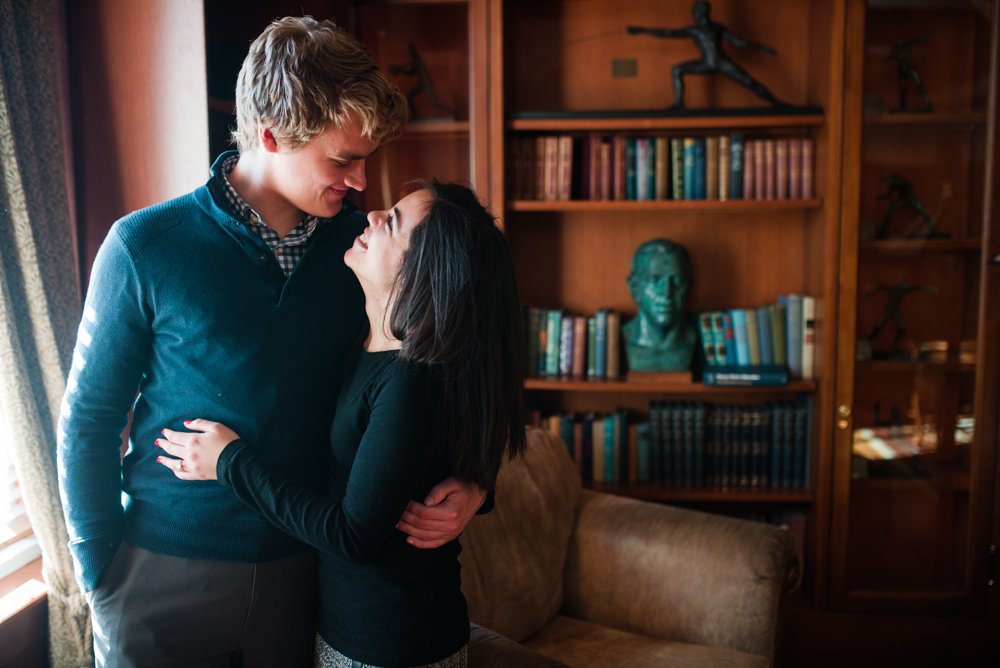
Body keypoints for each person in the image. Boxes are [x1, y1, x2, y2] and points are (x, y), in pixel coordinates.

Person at [58, 17, 487, 667]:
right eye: (342, 160)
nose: (362, 183)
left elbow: (444, 380)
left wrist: (478, 483)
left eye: (365, 159)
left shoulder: (368, 256)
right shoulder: (143, 247)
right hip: (157, 575)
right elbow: (88, 421)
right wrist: (100, 577)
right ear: (269, 136)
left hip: (306, 579)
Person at [155, 181, 527, 668]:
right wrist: (478, 487)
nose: (370, 215)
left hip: (391, 643)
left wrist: (229, 461)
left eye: (391, 222)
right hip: (352, 627)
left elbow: (352, 537)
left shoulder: (411, 381)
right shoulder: (366, 338)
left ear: (422, 270)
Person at [626, 1, 787, 109]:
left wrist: (761, 46)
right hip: (707, 63)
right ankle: (679, 104)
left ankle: (777, 103)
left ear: (701, 12)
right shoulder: (693, 30)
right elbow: (666, 33)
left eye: (696, 11)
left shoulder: (718, 28)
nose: (694, 14)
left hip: (722, 62)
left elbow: (740, 42)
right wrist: (640, 30)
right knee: (677, 70)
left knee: (749, 81)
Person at [622, 239, 697, 372]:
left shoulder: (698, 340)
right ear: (634, 288)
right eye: (654, 280)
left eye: (678, 280)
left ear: (689, 289)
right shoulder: (615, 339)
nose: (667, 293)